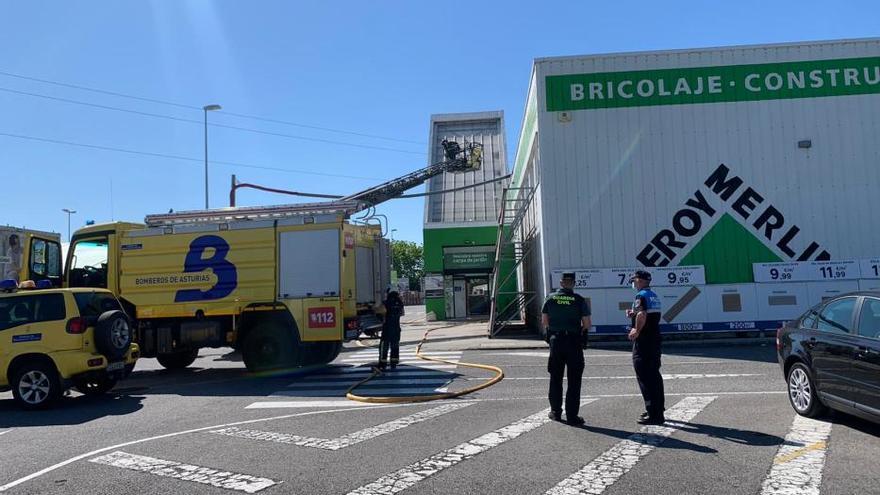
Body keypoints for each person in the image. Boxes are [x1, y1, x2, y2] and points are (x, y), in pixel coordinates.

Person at [542, 272, 592, 426]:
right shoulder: (579, 300)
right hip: (573, 341)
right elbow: (587, 323)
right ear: (573, 283)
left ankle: (555, 412)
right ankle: (572, 416)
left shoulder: (550, 298)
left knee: (555, 378)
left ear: (561, 283)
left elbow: (544, 321)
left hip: (556, 341)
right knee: (574, 380)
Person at [626, 270, 666, 425]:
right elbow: (647, 313)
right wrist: (633, 314)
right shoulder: (653, 295)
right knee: (654, 375)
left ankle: (653, 413)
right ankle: (658, 408)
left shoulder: (641, 295)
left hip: (645, 341)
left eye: (634, 280)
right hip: (655, 338)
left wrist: (636, 330)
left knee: (644, 375)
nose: (633, 283)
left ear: (641, 280)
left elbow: (642, 314)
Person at [378, 290, 405, 370]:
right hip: (396, 329)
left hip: (387, 329)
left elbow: (380, 313)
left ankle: (383, 364)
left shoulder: (386, 303)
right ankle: (393, 363)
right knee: (395, 346)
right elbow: (402, 313)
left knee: (384, 347)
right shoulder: (400, 303)